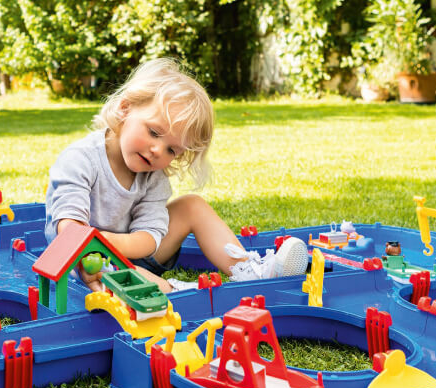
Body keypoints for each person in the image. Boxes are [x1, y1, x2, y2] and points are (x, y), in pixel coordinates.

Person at [44, 58, 307, 293]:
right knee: (132, 279)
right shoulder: (80, 160)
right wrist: (100, 248)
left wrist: (112, 242)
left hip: (131, 250)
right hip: (84, 261)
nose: (158, 150)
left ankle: (249, 270)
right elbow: (69, 230)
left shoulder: (153, 174)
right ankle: (175, 292)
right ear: (125, 109)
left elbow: (149, 238)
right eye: (153, 132)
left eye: (172, 149)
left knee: (192, 205)